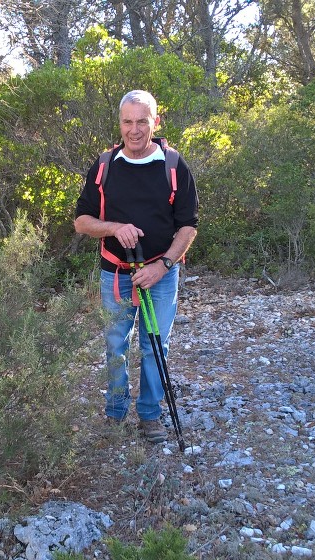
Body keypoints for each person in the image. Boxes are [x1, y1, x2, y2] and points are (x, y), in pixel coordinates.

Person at [74, 89, 199, 443]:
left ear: (155, 122)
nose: (134, 130)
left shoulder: (173, 165)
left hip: (160, 273)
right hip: (115, 272)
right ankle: (115, 414)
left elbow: (188, 225)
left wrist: (163, 265)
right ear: (120, 123)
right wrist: (113, 227)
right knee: (115, 343)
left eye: (141, 121)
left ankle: (149, 416)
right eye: (127, 121)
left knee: (154, 345)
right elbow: (82, 221)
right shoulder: (104, 166)